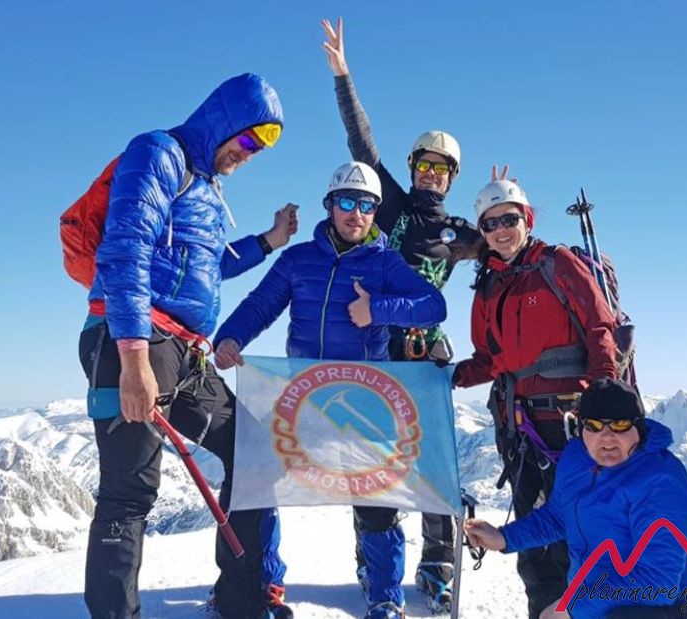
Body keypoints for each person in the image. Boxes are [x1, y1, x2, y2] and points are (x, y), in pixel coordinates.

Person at [79, 73, 300, 619]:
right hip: (134, 340)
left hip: (182, 352)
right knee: (129, 492)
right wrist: (133, 358)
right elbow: (125, 250)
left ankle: (240, 601)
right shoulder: (157, 154)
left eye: (262, 147)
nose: (249, 153)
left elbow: (208, 266)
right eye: (247, 138)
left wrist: (270, 241)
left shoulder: (204, 188)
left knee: (252, 448)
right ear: (223, 121)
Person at [213, 161, 448, 619]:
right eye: (347, 201)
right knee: (259, 482)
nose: (356, 213)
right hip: (301, 397)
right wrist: (231, 337)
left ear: (375, 213)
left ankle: (385, 596)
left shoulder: (384, 262)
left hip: (363, 401)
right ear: (330, 204)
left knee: (376, 501)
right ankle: (265, 583)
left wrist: (378, 309)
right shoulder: (299, 260)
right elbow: (261, 304)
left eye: (367, 205)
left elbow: (433, 305)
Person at [320, 17, 485, 608]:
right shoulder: (392, 209)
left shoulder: (462, 232)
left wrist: (510, 206)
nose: (430, 175)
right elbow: (362, 147)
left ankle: (438, 563)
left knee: (435, 464)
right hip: (380, 352)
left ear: (452, 178)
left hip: (428, 356)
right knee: (374, 461)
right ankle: (375, 560)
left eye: (442, 169)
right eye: (424, 165)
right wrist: (344, 77)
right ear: (413, 168)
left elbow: (507, 246)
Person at [452, 178, 619, 618]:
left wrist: (603, 390)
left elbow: (600, 327)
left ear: (527, 219)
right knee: (535, 543)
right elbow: (490, 360)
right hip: (520, 432)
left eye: (508, 219)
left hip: (571, 425)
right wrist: (450, 376)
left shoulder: (558, 264)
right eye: (490, 224)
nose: (500, 230)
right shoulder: (489, 286)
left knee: (578, 535)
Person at [464, 378, 687, 619]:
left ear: (638, 428)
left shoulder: (659, 480)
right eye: (594, 426)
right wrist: (504, 538)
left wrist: (572, 607)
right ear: (581, 428)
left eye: (619, 425)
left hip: (672, 609)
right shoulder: (577, 457)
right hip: (600, 603)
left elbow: (658, 582)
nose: (606, 437)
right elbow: (558, 516)